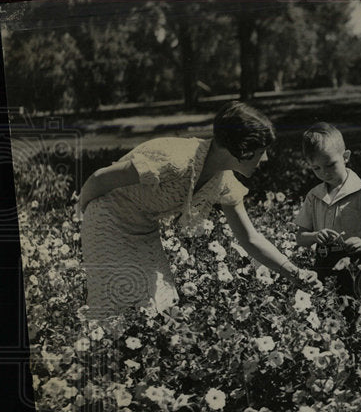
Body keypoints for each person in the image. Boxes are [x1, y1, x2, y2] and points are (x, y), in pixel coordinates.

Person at [78, 102, 317, 319]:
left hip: (142, 230)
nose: (264, 159)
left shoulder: (224, 181)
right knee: (125, 310)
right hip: (107, 223)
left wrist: (296, 273)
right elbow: (99, 179)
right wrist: (86, 215)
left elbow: (250, 238)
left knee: (163, 304)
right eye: (260, 151)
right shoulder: (175, 159)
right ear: (241, 149)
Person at [294, 123, 361, 297]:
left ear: (345, 157)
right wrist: (315, 236)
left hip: (358, 262)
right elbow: (300, 237)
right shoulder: (314, 196)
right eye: (316, 168)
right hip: (324, 265)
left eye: (330, 165)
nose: (325, 173)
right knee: (329, 311)